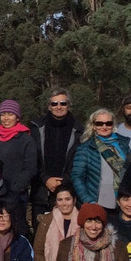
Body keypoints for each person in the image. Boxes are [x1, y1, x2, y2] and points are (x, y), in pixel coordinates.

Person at [29, 88, 82, 233]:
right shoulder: (36, 128)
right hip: (41, 192)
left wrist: (64, 180)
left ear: (69, 105)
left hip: (68, 192)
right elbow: (33, 158)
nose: (59, 107)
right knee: (41, 235)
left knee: (67, 236)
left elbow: (78, 160)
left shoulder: (79, 131)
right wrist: (45, 179)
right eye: (54, 103)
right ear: (49, 106)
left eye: (63, 103)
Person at [0, 99, 37, 228]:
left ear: (17, 117)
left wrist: (15, 189)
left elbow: (30, 167)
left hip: (16, 194)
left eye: (10, 114)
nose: (6, 118)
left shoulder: (26, 139)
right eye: (3, 114)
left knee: (16, 228)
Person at [71, 109, 131, 209]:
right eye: (99, 123)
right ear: (93, 126)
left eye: (108, 123)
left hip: (124, 202)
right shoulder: (85, 148)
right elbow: (77, 177)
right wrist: (88, 200)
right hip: (97, 202)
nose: (104, 127)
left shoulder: (123, 145)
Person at [32, 183, 80, 261]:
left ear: (74, 200)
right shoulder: (46, 221)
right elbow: (38, 251)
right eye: (60, 200)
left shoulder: (83, 222)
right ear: (56, 202)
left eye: (67, 199)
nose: (64, 204)